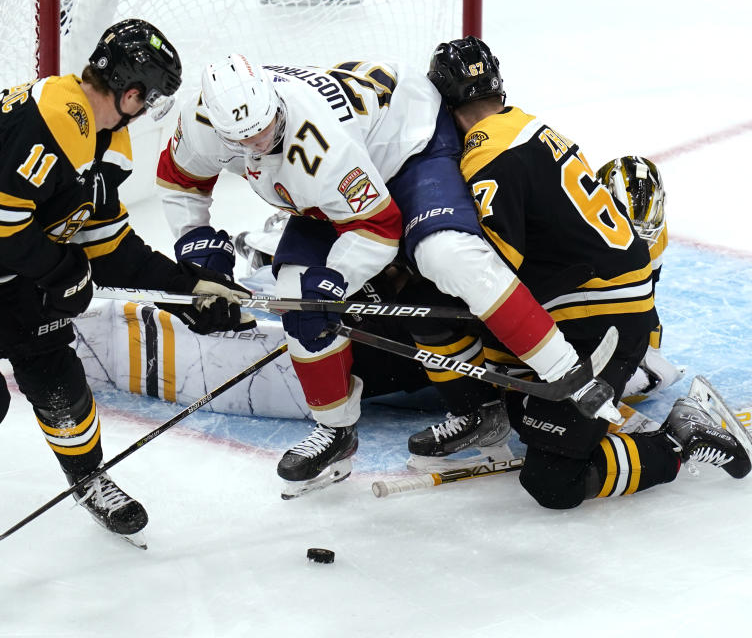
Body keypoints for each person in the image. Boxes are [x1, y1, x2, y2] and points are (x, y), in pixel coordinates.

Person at [0, 20, 254, 627]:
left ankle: (86, 480)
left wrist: (189, 288)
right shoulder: (56, 118)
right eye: (153, 97)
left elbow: (109, 245)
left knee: (56, 374)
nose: (150, 111)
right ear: (133, 91)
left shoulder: (98, 142)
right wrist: (65, 274)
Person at [156, 53, 619, 498]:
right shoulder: (202, 122)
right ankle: (335, 432)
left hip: (406, 143)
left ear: (275, 103)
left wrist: (336, 278)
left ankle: (566, 369)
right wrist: (199, 258)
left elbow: (377, 227)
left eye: (266, 131)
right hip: (332, 181)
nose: (258, 145)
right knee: (296, 293)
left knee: (446, 254)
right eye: (244, 140)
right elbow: (180, 183)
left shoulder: (315, 138)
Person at [416, 35, 749, 510]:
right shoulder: (527, 127)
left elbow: (491, 273)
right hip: (597, 301)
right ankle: (503, 412)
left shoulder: (485, 157)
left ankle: (680, 436)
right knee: (521, 398)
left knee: (554, 482)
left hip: (601, 319)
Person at [597, 156, 685, 402]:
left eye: (645, 234)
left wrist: (647, 357)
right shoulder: (566, 229)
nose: (638, 246)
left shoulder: (656, 240)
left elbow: (646, 301)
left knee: (658, 374)